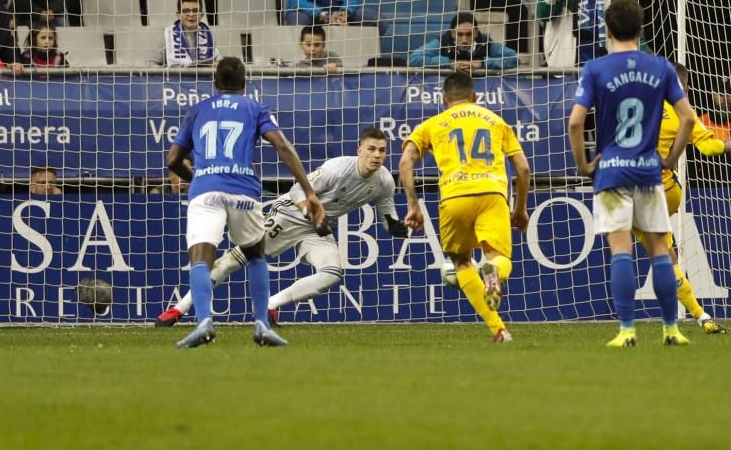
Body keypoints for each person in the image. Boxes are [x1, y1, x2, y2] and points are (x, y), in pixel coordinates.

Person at [156, 127, 404, 327]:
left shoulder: (383, 181)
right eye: (371, 149)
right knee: (235, 260)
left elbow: (386, 208)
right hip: (291, 214)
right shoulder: (336, 169)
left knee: (331, 273)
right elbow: (297, 189)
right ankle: (179, 309)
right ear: (359, 150)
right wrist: (311, 212)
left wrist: (392, 224)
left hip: (316, 228)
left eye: (382, 150)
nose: (377, 155)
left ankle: (270, 304)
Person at [165, 56, 325, 347]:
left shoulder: (198, 110)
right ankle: (262, 324)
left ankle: (203, 322)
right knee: (254, 254)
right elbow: (282, 146)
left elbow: (173, 159)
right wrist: (309, 191)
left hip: (206, 190)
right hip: (243, 190)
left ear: (215, 83)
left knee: (200, 259)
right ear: (244, 84)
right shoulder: (254, 107)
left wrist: (198, 176)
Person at [567, 0, 696, 348]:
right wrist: (670, 159)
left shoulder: (595, 68)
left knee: (620, 249)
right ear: (641, 30)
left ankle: (627, 330)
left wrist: (583, 165)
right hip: (649, 171)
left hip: (611, 171)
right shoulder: (662, 68)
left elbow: (576, 121)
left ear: (607, 31)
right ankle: (671, 329)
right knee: (659, 249)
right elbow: (688, 118)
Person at [401, 71, 531, 343]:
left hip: (454, 196)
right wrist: (520, 208)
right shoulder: (495, 121)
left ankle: (499, 330)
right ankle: (494, 271)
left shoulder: (433, 124)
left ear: (444, 99)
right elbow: (523, 167)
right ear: (475, 97)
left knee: (461, 261)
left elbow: (405, 162)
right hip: (492, 193)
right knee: (498, 256)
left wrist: (413, 205)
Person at [632, 62, 729, 334]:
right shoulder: (681, 112)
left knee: (653, 255)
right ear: (684, 87)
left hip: (623, 190)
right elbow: (709, 148)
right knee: (666, 258)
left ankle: (698, 316)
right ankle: (702, 318)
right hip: (661, 192)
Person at [408, 12, 518, 71]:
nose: (464, 40)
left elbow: (513, 58)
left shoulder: (486, 43)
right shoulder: (442, 42)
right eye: (460, 34)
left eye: (469, 34)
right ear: (452, 33)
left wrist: (483, 63)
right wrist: (449, 63)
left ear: (475, 33)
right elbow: (413, 59)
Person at [147, 0, 217, 67]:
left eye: (195, 10)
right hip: (175, 78)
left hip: (203, 78)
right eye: (186, 11)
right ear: (178, 15)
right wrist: (168, 72)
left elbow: (217, 60)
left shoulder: (209, 35)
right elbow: (150, 63)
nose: (191, 14)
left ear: (202, 14)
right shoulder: (166, 35)